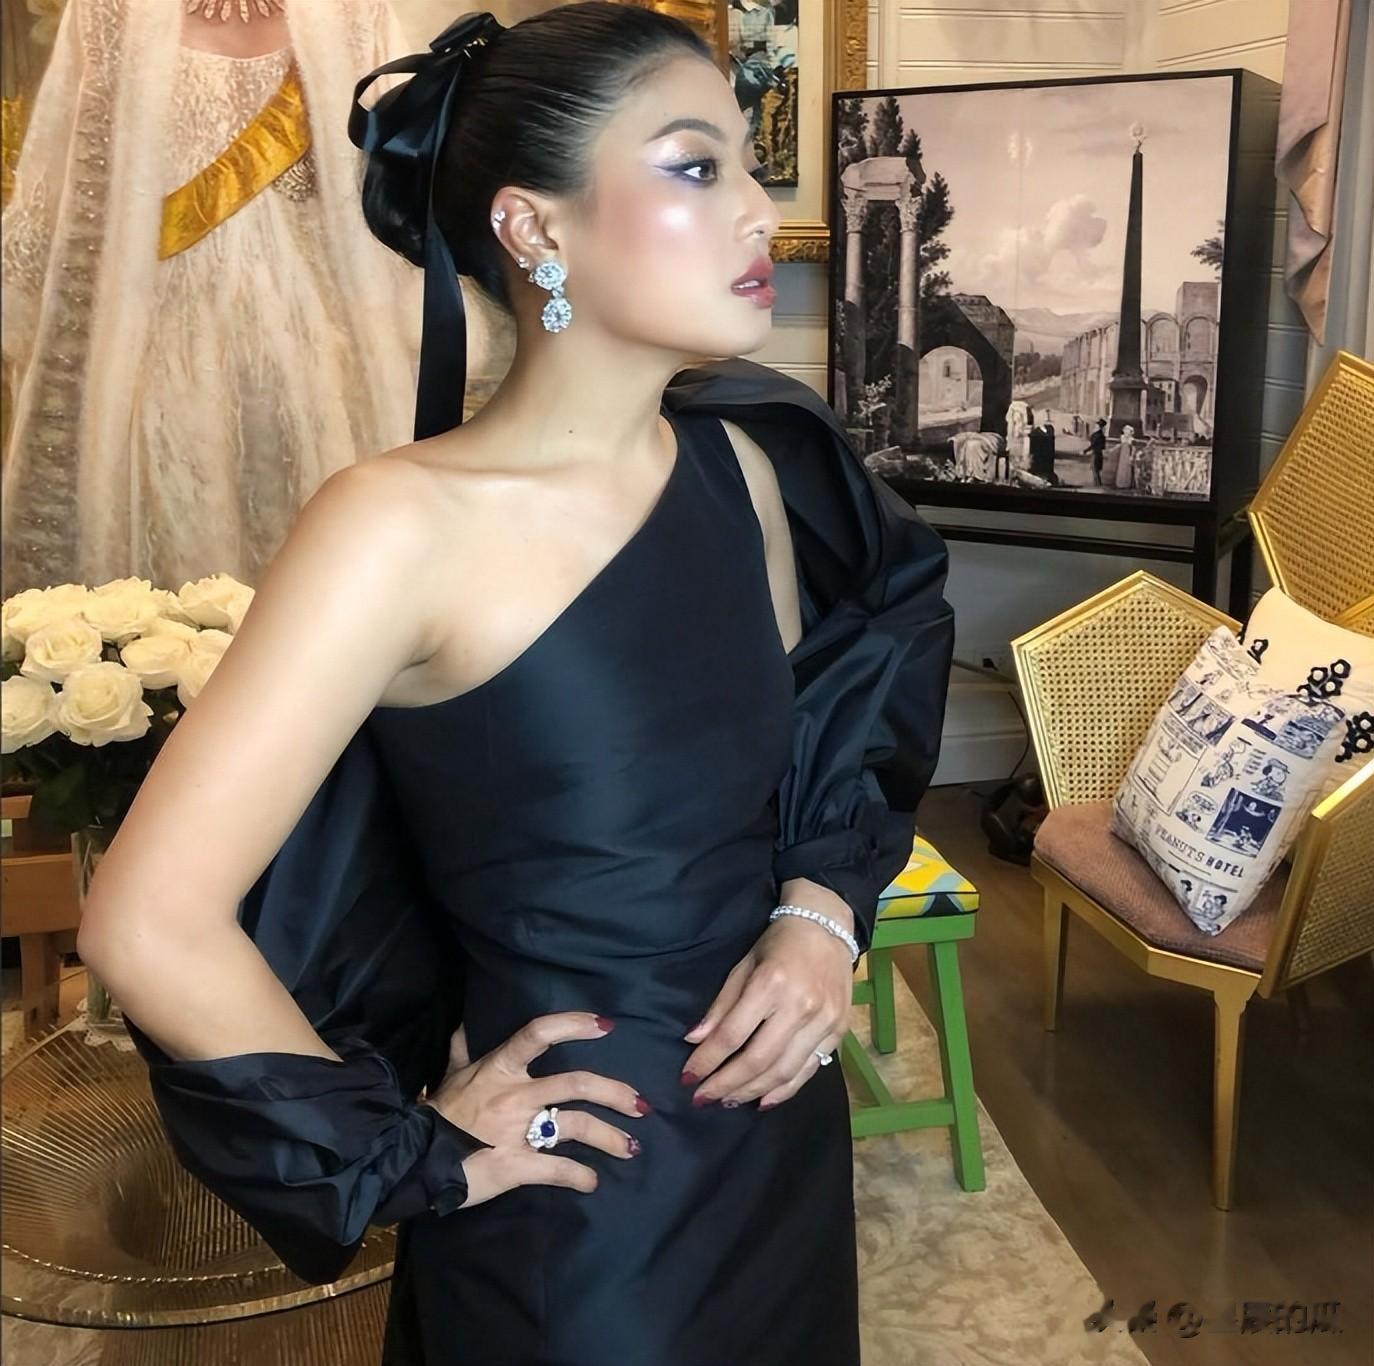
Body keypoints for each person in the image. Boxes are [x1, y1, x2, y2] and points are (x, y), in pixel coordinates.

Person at [79, 6, 953, 1364]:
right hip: (585, 1214)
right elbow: (147, 920)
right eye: (694, 165)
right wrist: (412, 1150)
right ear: (532, 227)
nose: (758, 213)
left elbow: (829, 733)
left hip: (779, 1144)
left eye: (744, 163)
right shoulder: (395, 527)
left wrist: (819, 915)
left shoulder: (749, 468)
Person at [1, 0, 421, 593]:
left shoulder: (354, 11)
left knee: (319, 557)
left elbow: (397, 181)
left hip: (315, 356)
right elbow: (66, 182)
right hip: (160, 352)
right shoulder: (108, 10)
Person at [1088, 417, 1107, 485]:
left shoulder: (1098, 435)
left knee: (1095, 470)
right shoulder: (1100, 435)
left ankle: (1098, 485)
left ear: (1099, 427)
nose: (1095, 426)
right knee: (1096, 470)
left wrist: (1085, 451)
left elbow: (1093, 445)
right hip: (1098, 454)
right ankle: (1097, 484)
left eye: (1097, 425)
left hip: (1096, 454)